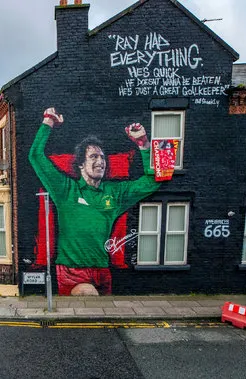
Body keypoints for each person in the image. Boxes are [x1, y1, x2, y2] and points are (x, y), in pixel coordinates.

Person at [28, 107, 161, 296]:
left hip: (102, 270)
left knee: (99, 319)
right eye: (93, 156)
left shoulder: (115, 193)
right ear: (81, 163)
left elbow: (152, 182)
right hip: (72, 271)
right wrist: (48, 122)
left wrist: (143, 143)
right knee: (89, 296)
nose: (100, 161)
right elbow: (35, 156)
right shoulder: (66, 189)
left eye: (102, 157)